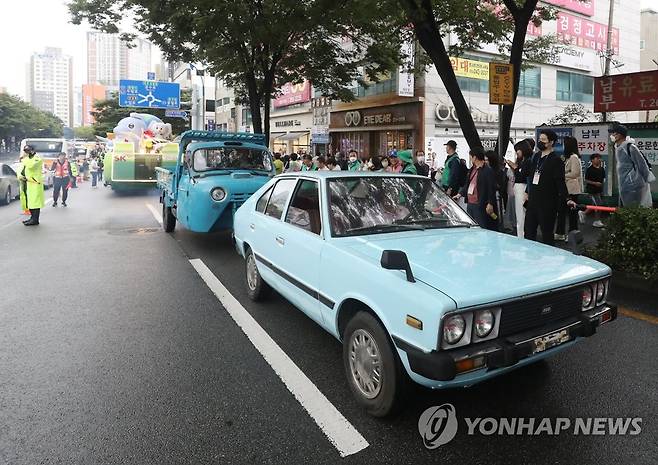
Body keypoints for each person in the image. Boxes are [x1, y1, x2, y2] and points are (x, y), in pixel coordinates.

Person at [524, 129, 572, 246]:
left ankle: (549, 259)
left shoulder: (556, 160)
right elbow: (531, 176)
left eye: (543, 140)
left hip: (547, 204)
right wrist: (527, 192)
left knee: (546, 234)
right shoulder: (536, 157)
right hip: (533, 202)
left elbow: (560, 182)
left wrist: (567, 198)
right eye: (540, 140)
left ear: (551, 142)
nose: (540, 142)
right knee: (529, 232)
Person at [453, 147, 497, 231]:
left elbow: (491, 188)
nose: (470, 159)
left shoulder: (487, 170)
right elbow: (467, 184)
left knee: (481, 226)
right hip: (470, 202)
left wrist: (490, 203)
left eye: (471, 157)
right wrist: (460, 194)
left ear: (475, 157)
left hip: (480, 203)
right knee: (471, 226)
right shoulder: (472, 169)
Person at [609, 123, 652, 207]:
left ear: (620, 135)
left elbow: (642, 164)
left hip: (634, 185)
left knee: (633, 209)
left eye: (614, 133)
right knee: (626, 207)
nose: (612, 135)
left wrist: (646, 179)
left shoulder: (630, 147)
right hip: (624, 184)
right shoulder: (618, 147)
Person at [555, 136, 583, 240]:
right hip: (566, 189)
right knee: (561, 212)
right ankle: (560, 233)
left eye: (564, 144)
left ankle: (572, 234)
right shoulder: (568, 157)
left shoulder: (574, 157)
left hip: (572, 190)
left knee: (572, 213)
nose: (562, 146)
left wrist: (562, 175)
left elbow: (575, 173)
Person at [506, 140, 533, 238]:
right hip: (519, 188)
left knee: (521, 215)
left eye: (518, 150)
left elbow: (522, 176)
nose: (517, 152)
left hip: (522, 188)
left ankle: (522, 236)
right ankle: (520, 234)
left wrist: (515, 167)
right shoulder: (523, 161)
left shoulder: (528, 161)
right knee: (519, 215)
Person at [17, 145, 44, 226]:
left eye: (28, 150)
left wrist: (24, 159)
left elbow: (31, 166)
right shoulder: (26, 159)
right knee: (29, 201)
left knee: (35, 202)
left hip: (34, 183)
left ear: (32, 150)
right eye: (25, 150)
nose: (26, 152)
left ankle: (35, 219)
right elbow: (20, 170)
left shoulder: (37, 158)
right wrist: (20, 176)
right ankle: (32, 217)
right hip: (26, 183)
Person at [585, 153, 606, 228]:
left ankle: (583, 213)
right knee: (598, 205)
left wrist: (602, 190)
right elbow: (586, 180)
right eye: (597, 158)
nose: (599, 160)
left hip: (599, 191)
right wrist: (595, 183)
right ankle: (597, 221)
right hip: (592, 191)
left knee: (594, 205)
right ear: (592, 160)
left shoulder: (602, 169)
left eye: (600, 158)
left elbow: (602, 180)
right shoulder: (589, 169)